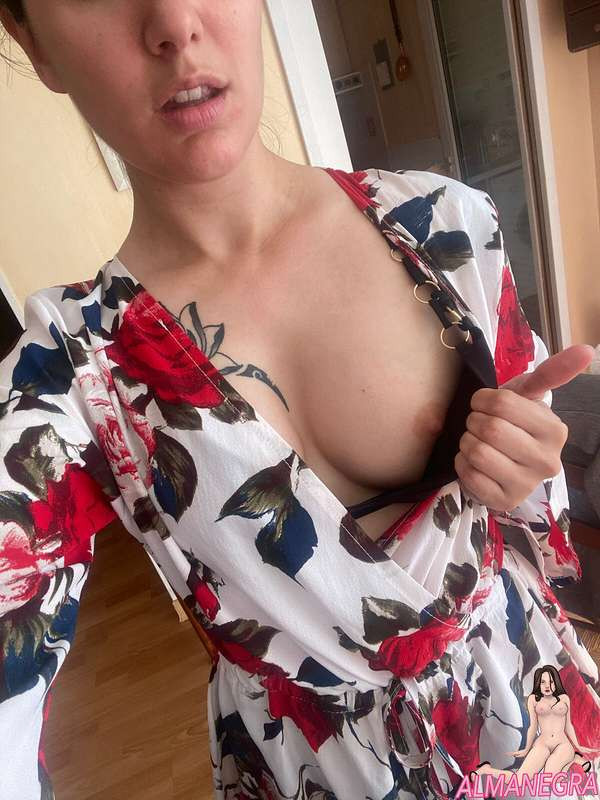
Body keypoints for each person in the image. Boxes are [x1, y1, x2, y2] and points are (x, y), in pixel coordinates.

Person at [0, 3, 599, 799]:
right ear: (33, 42)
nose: (173, 22)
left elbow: (538, 513)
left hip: (530, 720)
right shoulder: (66, 375)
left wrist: (526, 464)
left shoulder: (445, 227)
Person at [471, 665, 597, 781]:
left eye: (551, 682)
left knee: (549, 778)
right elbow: (533, 726)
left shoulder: (563, 698)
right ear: (539, 683)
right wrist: (526, 749)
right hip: (542, 744)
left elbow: (568, 725)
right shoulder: (533, 699)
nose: (547, 686)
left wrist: (578, 745)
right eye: (543, 682)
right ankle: (486, 770)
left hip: (561, 743)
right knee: (520, 780)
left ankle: (573, 757)